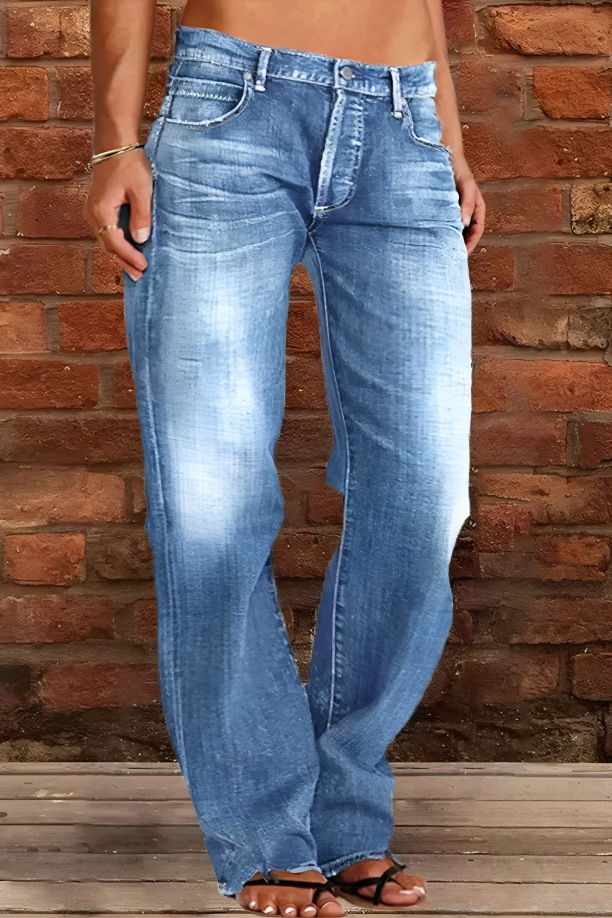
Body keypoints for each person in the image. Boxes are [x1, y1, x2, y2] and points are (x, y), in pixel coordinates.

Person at [84, 1, 485, 915]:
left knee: (423, 497)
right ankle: (266, 832)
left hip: (406, 124)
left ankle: (344, 815)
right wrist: (115, 144)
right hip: (233, 109)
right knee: (214, 503)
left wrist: (448, 139)